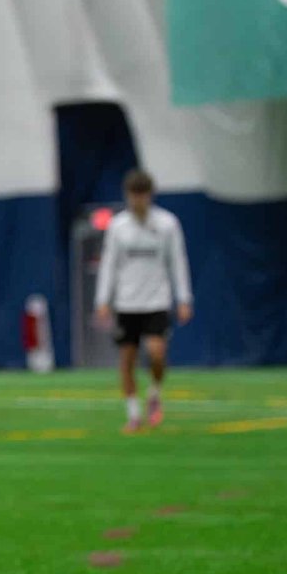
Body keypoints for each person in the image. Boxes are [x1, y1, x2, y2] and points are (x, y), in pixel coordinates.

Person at [93, 170, 193, 434]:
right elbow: (109, 265)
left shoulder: (167, 224)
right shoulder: (118, 227)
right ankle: (134, 415)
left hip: (157, 300)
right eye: (133, 195)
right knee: (127, 359)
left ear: (150, 195)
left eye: (142, 195)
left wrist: (183, 298)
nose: (138, 200)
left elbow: (178, 262)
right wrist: (103, 300)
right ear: (127, 196)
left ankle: (155, 393)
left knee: (157, 354)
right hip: (126, 303)